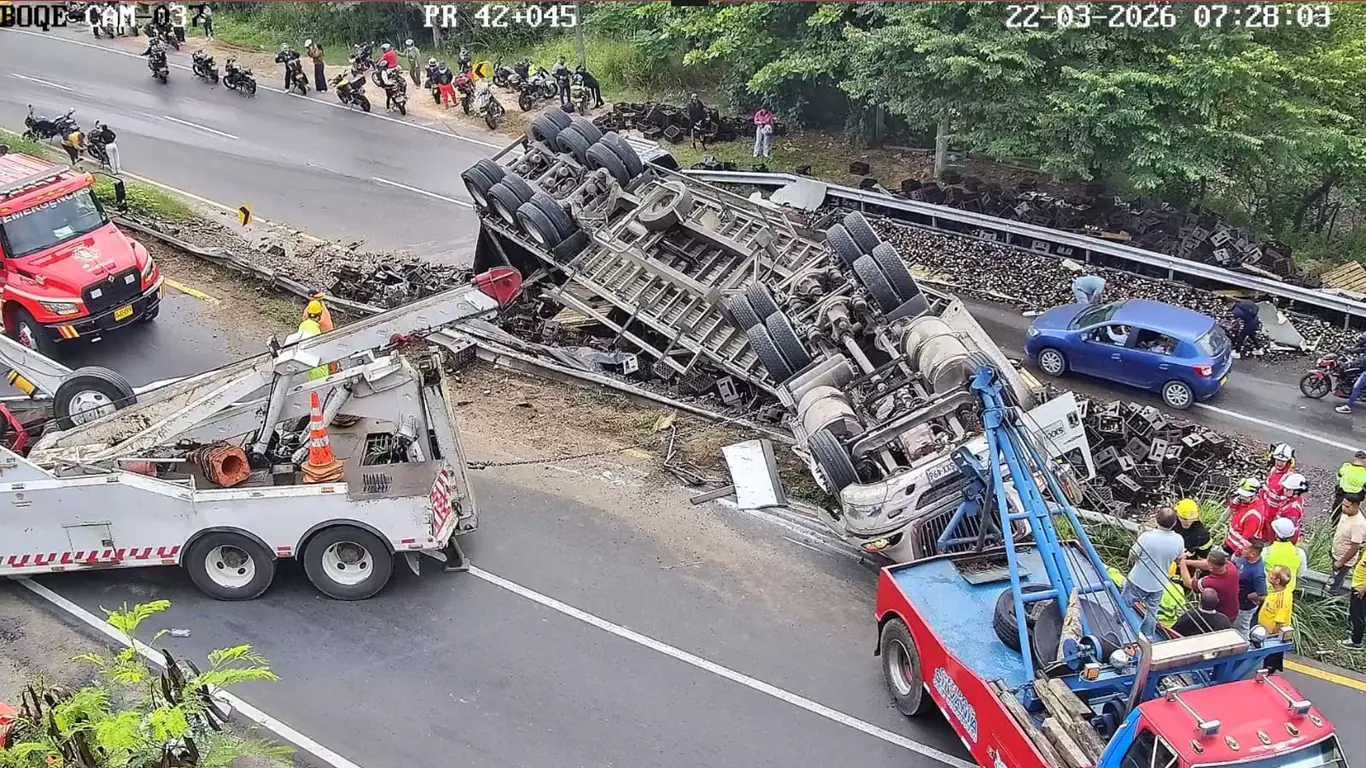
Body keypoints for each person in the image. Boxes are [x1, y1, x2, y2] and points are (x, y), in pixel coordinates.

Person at [1123, 507, 1185, 640]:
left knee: (1123, 604)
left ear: (1156, 519)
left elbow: (1133, 555)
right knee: (1152, 612)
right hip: (1158, 584)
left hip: (1137, 580)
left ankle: (1117, 625)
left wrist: (1136, 561)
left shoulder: (1146, 537)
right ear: (1175, 523)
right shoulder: (1179, 540)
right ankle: (1148, 636)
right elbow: (1179, 559)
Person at [1178, 547, 1240, 622]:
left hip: (1221, 617)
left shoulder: (1210, 583)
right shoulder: (1230, 567)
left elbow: (1188, 583)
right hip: (1233, 609)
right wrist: (1187, 562)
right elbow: (1207, 565)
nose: (1205, 562)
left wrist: (1182, 563)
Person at [1259, 565, 1294, 672]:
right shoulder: (1279, 591)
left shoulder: (1281, 600)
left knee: (1270, 661)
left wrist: (1270, 638)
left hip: (1272, 637)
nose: (1269, 575)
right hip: (1267, 633)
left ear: (1277, 581)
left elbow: (1279, 623)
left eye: (1272, 574)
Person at [1232, 540, 1267, 638]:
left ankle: (1246, 647)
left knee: (1241, 629)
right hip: (1237, 601)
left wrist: (1248, 596)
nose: (1242, 549)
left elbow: (1262, 594)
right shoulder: (1245, 558)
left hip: (1245, 607)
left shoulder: (1257, 573)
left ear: (1253, 554)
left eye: (1245, 548)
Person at [1330, 497, 1366, 592]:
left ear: (1356, 506)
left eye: (1347, 506)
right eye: (1343, 504)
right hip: (1336, 554)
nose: (1343, 508)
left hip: (1343, 561)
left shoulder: (1358, 525)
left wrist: (1341, 562)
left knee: (1335, 583)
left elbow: (1355, 547)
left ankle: (1331, 598)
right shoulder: (1346, 514)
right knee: (1333, 579)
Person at [1263, 516, 1307, 593]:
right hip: (1287, 593)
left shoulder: (1266, 551)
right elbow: (1301, 574)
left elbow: (1260, 573)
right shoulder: (1299, 553)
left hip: (1268, 592)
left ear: (1276, 534)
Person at [1223, 479, 1265, 556]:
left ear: (1254, 495)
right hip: (1231, 543)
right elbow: (1234, 513)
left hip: (1236, 550)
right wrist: (1234, 504)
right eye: (1240, 494)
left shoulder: (1253, 516)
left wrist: (1237, 555)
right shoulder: (1245, 502)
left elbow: (1246, 540)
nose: (1241, 497)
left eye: (1244, 496)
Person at [297, 302, 330, 381]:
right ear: (320, 314)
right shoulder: (316, 330)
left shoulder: (303, 325)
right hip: (319, 366)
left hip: (309, 363)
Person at [1333, 450, 1366, 524]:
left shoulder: (1346, 466)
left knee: (1336, 513)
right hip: (1355, 497)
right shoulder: (1364, 472)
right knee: (1353, 515)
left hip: (1341, 495)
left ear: (1354, 458)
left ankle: (1334, 527)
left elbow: (1339, 476)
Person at [1344, 548, 1366, 650]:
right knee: (1355, 612)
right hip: (1358, 585)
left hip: (1361, 588)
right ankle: (1354, 634)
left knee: (1358, 614)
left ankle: (1356, 641)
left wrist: (1363, 590)